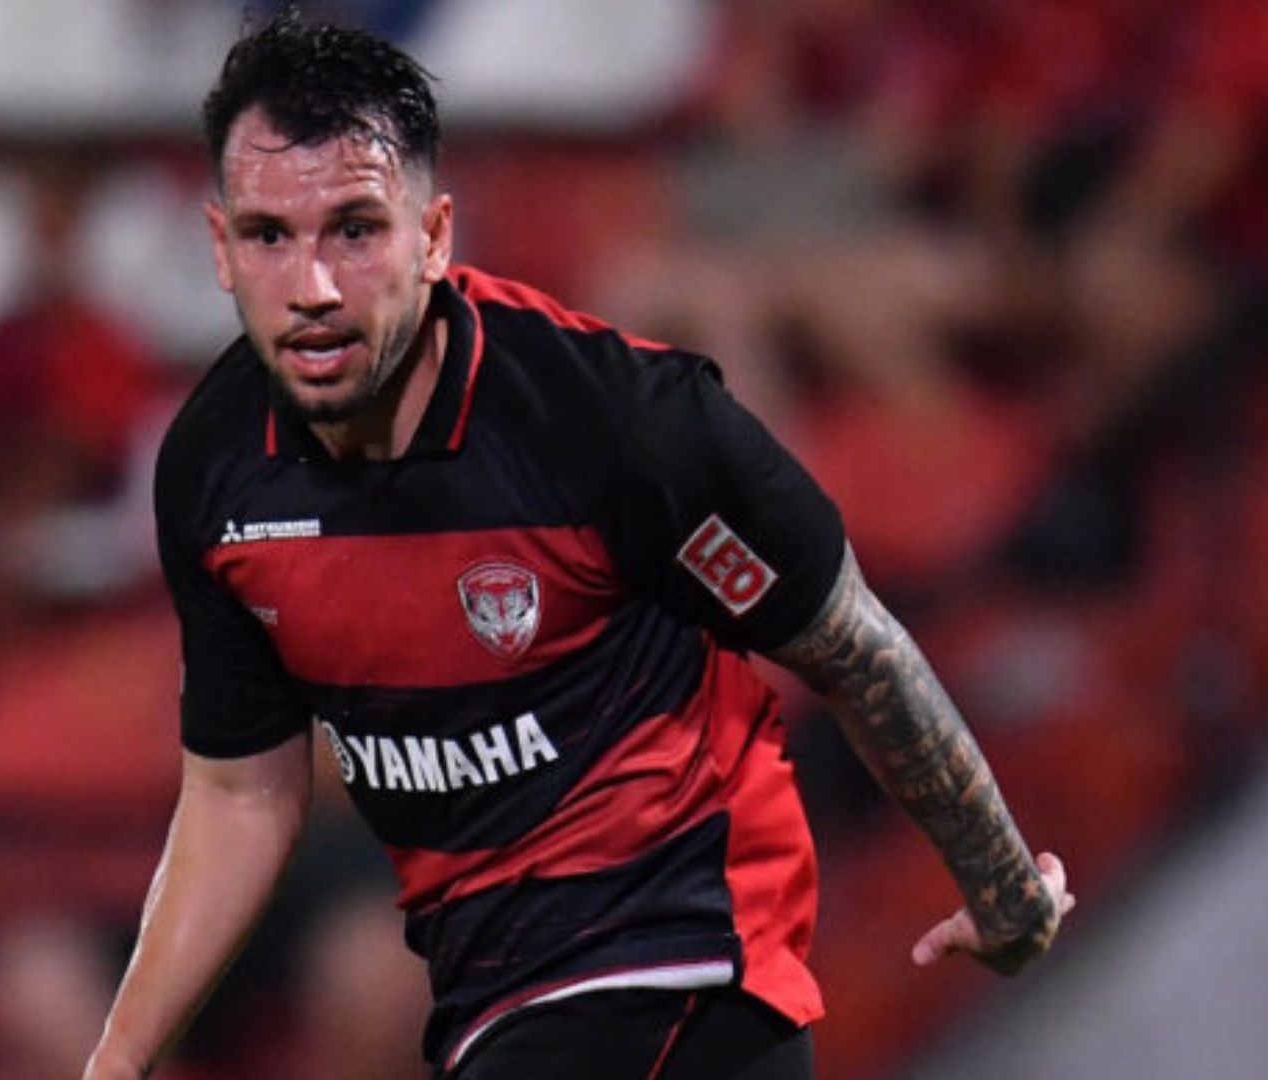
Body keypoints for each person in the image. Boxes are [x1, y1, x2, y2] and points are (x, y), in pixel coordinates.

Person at [86, 13, 1073, 1080]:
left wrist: (1003, 889)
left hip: (690, 966)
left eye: (356, 231)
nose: (313, 286)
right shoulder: (218, 467)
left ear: (434, 237)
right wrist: (119, 1060)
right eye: (270, 237)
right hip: (491, 998)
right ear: (220, 248)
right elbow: (242, 792)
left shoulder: (617, 424)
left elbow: (852, 646)